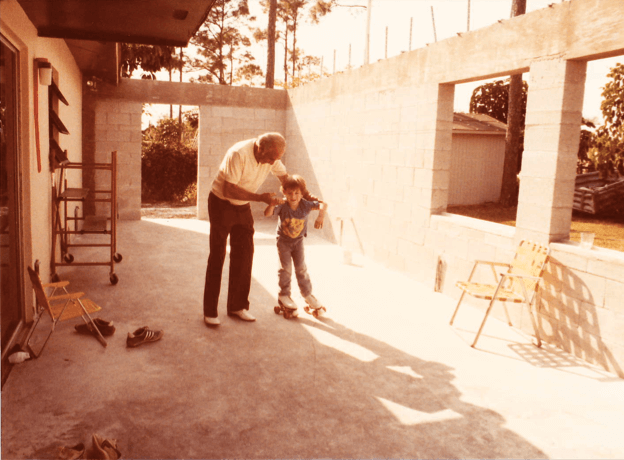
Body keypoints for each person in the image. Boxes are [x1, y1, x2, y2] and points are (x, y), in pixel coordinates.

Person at [203, 133, 315, 326]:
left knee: (245, 253)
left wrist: (306, 196)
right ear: (260, 148)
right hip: (221, 203)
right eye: (271, 158)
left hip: (242, 205)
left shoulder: (272, 158)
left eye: (276, 159)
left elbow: (286, 179)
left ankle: (237, 306)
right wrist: (261, 198)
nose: (273, 162)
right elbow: (229, 189)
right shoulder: (238, 154)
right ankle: (210, 311)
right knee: (218, 254)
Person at [264, 174, 328, 314]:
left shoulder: (306, 204)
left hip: (298, 242)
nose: (293, 196)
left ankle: (307, 294)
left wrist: (320, 216)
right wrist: (271, 204)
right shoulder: (282, 205)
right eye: (290, 193)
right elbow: (267, 214)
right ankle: (284, 295)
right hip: (283, 241)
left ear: (302, 193)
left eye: (297, 193)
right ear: (284, 192)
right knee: (286, 269)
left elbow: (323, 204)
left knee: (301, 268)